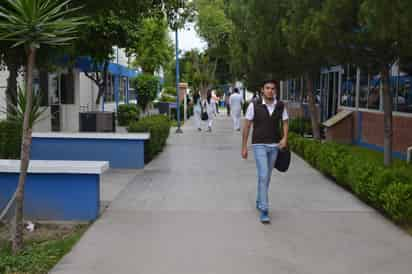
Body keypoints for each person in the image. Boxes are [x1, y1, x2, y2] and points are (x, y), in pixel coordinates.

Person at [241, 80, 289, 223]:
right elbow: (247, 126)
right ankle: (264, 209)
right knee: (263, 174)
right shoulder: (254, 105)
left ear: (275, 91)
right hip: (259, 145)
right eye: (267, 88)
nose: (270, 91)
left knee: (266, 176)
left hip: (275, 146)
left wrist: (285, 138)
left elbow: (285, 122)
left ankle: (259, 199)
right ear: (262, 90)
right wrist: (244, 146)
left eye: (273, 88)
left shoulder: (280, 106)